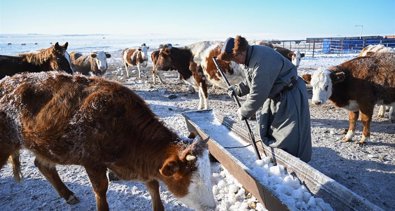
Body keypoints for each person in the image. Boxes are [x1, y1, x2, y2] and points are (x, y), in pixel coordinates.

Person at [218, 35, 312, 162]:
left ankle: (296, 165)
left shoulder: (261, 60)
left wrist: (244, 111)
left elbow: (258, 93)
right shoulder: (251, 56)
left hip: (290, 95)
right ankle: (278, 159)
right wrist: (238, 89)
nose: (236, 62)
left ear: (241, 52)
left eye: (235, 58)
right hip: (277, 95)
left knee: (290, 133)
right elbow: (252, 79)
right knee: (273, 129)